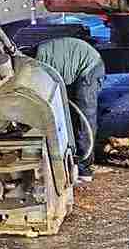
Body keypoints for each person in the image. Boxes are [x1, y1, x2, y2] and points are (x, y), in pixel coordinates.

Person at [27, 36, 106, 183]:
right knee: (69, 116)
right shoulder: (38, 55)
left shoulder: (37, 65)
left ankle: (84, 169)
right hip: (75, 67)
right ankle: (73, 159)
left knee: (85, 118)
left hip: (89, 68)